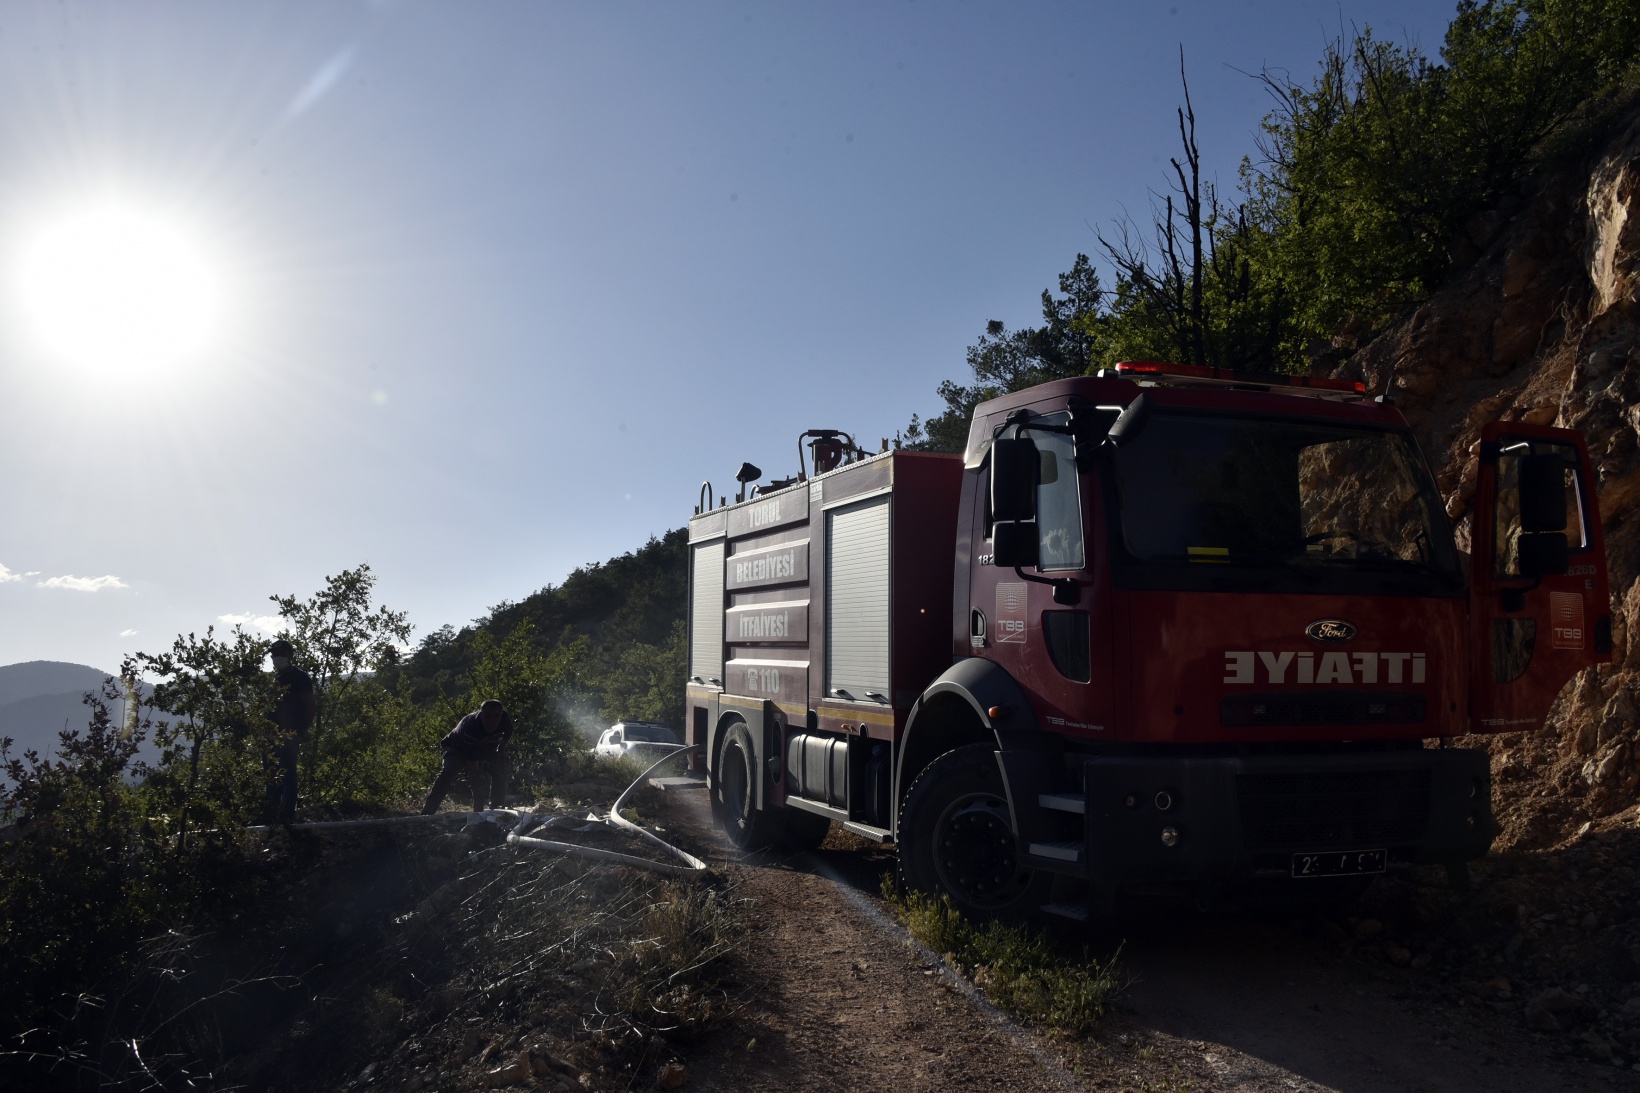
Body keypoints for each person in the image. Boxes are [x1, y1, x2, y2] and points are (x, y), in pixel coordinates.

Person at [421, 699, 513, 814]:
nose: (492, 721)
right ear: (481, 714)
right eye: (488, 716)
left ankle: (496, 809)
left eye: (496, 716)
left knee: (502, 764)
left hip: (484, 747)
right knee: (450, 770)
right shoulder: (472, 728)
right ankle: (428, 812)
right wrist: (478, 798)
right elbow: (473, 770)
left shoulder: (504, 719)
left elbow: (508, 733)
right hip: (456, 748)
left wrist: (501, 749)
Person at [265, 638, 316, 824]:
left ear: (290, 655)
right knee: (271, 774)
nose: (277, 658)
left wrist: (302, 731)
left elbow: (310, 706)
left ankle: (287, 815)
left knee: (288, 775)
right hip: (270, 735)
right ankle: (271, 814)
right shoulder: (274, 678)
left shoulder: (300, 678)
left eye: (282, 654)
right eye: (274, 654)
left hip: (289, 734)